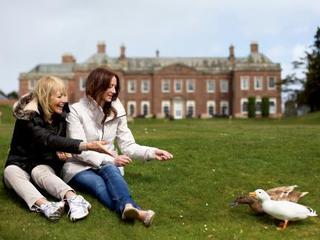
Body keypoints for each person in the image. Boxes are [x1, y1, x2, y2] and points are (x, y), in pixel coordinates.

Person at [62, 67, 173, 227]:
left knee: (109, 168)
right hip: (79, 166)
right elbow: (78, 149)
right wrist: (112, 159)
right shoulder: (76, 110)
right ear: (96, 85)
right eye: (110, 86)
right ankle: (137, 211)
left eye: (115, 87)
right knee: (98, 185)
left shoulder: (117, 108)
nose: (114, 91)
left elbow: (128, 145)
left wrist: (152, 152)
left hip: (109, 164)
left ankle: (128, 208)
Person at [3, 76, 112, 221]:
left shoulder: (63, 114)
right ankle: (46, 206)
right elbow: (47, 139)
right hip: (20, 161)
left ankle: (75, 199)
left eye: (65, 95)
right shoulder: (27, 117)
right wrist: (87, 145)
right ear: (45, 97)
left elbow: (62, 139)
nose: (64, 100)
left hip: (44, 162)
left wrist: (63, 151)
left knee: (39, 171)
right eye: (59, 96)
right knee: (10, 172)